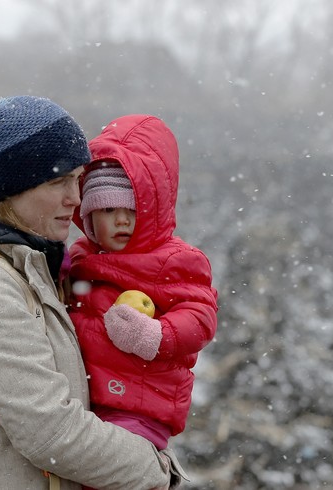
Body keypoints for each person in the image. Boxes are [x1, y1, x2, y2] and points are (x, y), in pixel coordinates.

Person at [0, 96, 178, 489]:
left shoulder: (29, 265)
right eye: (58, 182)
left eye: (77, 178)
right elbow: (51, 433)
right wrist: (155, 469)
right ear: (10, 189)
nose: (76, 197)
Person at [69, 114, 219, 453]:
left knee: (111, 468)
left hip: (140, 406)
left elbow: (200, 316)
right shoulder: (79, 259)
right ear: (88, 215)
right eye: (107, 209)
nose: (122, 219)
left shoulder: (174, 260)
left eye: (135, 208)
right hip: (86, 399)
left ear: (154, 209)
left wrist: (156, 336)